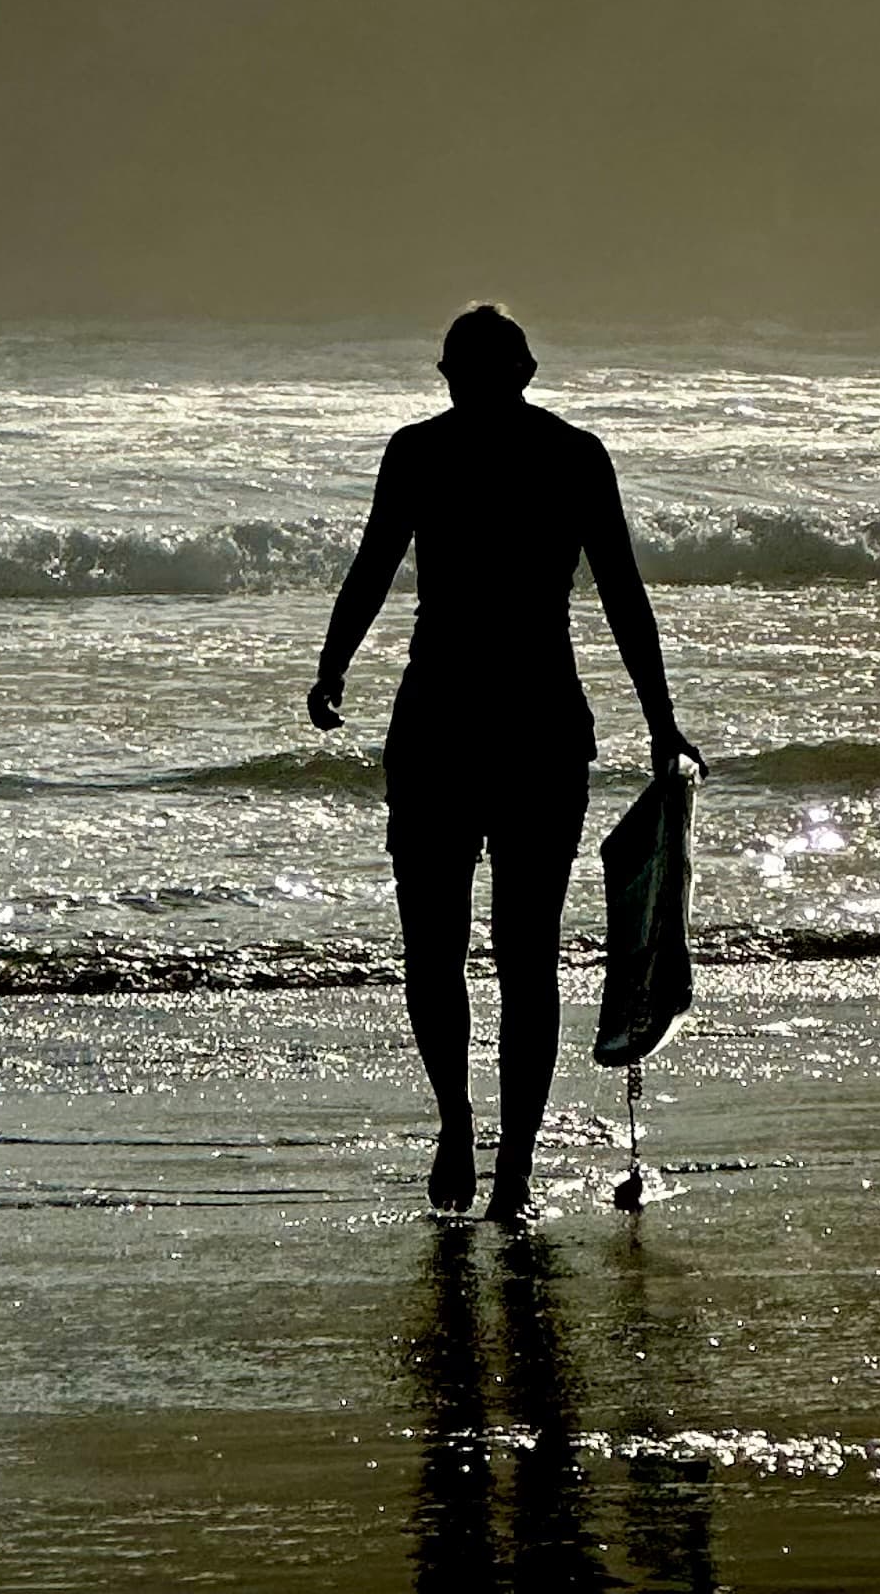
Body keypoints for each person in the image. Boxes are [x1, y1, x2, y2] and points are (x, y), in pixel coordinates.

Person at [308, 304, 701, 1223]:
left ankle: (458, 1129)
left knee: (434, 948)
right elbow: (623, 597)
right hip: (538, 725)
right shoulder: (572, 454)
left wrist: (333, 669)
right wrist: (659, 719)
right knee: (527, 956)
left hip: (442, 719)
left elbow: (371, 570)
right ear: (526, 373)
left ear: (449, 375)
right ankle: (511, 1163)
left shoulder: (419, 452)